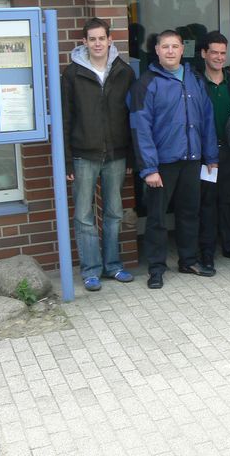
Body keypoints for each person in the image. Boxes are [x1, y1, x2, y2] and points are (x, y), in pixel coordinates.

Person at [129, 29, 218, 289]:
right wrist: (149, 168)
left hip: (192, 159)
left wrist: (210, 155)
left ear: (182, 49)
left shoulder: (195, 79)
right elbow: (140, 127)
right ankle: (156, 268)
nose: (170, 51)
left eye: (175, 46)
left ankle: (188, 260)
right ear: (156, 50)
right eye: (165, 46)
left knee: (189, 213)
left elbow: (207, 119)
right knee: (157, 218)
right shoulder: (147, 82)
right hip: (161, 164)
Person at [61, 17, 135, 291]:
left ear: (109, 40)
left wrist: (132, 156)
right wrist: (67, 160)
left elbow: (133, 117)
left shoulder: (124, 72)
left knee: (114, 212)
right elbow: (66, 118)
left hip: (116, 153)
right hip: (83, 154)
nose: (97, 43)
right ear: (84, 42)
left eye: (101, 38)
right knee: (84, 215)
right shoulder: (72, 74)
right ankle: (91, 270)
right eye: (92, 39)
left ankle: (113, 266)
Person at [197, 32, 230, 272]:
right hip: (205, 153)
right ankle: (207, 251)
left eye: (222, 53)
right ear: (203, 53)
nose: (219, 57)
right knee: (207, 202)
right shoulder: (196, 82)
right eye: (214, 52)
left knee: (229, 200)